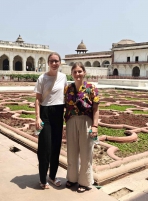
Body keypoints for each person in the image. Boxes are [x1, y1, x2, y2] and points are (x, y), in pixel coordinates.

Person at [64, 62, 100, 193]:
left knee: (86, 152)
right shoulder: (68, 89)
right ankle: (72, 178)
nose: (77, 74)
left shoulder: (91, 88)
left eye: (80, 71)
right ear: (72, 74)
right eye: (75, 72)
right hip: (71, 121)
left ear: (84, 72)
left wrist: (95, 126)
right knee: (72, 151)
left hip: (86, 122)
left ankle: (84, 181)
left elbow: (96, 109)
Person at [34, 52, 68, 189]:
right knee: (45, 147)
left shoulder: (63, 77)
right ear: (48, 63)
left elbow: (66, 95)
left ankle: (52, 176)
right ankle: (43, 178)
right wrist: (37, 117)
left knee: (56, 146)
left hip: (58, 112)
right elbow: (37, 99)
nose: (54, 63)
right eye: (52, 61)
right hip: (45, 113)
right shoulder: (42, 78)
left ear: (60, 62)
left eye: (57, 61)